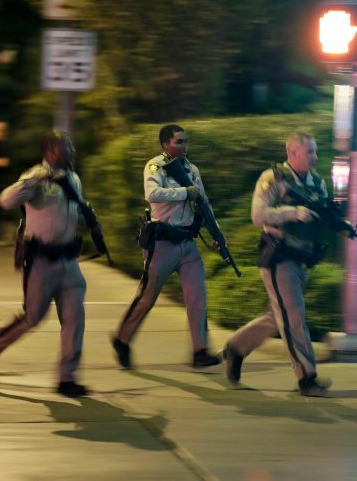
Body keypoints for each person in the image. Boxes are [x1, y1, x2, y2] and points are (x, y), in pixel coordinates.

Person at [0, 130, 93, 397]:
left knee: (75, 319)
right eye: (67, 146)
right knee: (33, 317)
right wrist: (31, 180)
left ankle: (67, 378)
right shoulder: (36, 178)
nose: (72, 150)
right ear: (51, 150)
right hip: (41, 261)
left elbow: (72, 212)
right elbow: (5, 200)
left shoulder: (73, 178)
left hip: (68, 261)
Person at [222, 131, 332, 397]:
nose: (315, 157)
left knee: (278, 316)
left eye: (315, 151)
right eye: (309, 152)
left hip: (302, 258)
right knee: (293, 317)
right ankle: (307, 378)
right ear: (292, 153)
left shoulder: (317, 183)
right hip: (279, 256)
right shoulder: (273, 179)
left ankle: (237, 347)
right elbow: (258, 214)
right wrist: (293, 213)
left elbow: (322, 217)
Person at [111, 124, 221, 369]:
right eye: (178, 141)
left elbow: (204, 203)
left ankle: (200, 351)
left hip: (187, 243)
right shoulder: (155, 166)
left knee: (197, 296)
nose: (184, 145)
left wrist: (215, 233)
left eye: (185, 141)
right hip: (162, 244)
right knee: (147, 297)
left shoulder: (192, 169)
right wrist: (184, 192)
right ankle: (122, 339)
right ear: (165, 145)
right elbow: (152, 194)